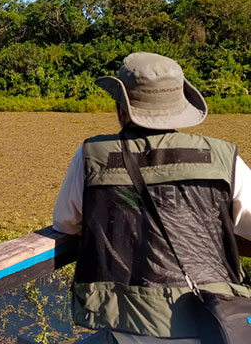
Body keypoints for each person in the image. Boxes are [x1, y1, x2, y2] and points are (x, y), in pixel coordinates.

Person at [52, 52, 251, 344]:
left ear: (123, 108)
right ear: (179, 107)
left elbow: (66, 223)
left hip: (128, 326)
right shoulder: (224, 157)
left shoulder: (92, 155)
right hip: (215, 322)